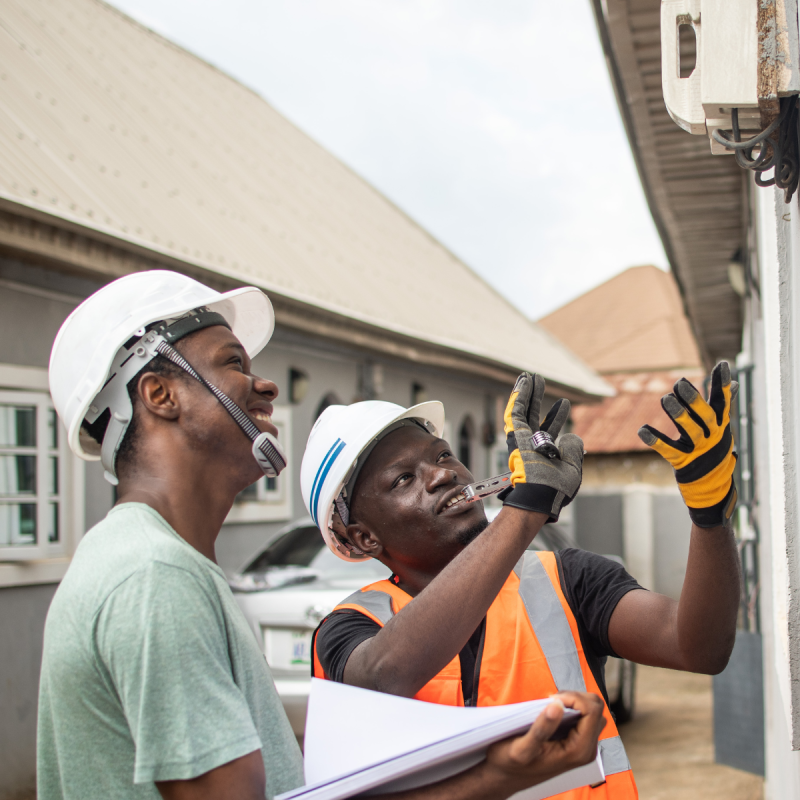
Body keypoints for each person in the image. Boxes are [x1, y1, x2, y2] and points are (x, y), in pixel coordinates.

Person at [37, 269, 606, 800]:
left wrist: (496, 774)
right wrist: (490, 780)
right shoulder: (154, 578)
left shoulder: (151, 563)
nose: (265, 387)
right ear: (161, 395)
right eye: (232, 362)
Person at [305, 366, 742, 800]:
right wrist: (527, 506)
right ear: (362, 537)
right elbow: (383, 676)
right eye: (403, 479)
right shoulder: (349, 628)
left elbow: (697, 648)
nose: (442, 475)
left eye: (441, 455)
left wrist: (710, 516)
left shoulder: (566, 578)